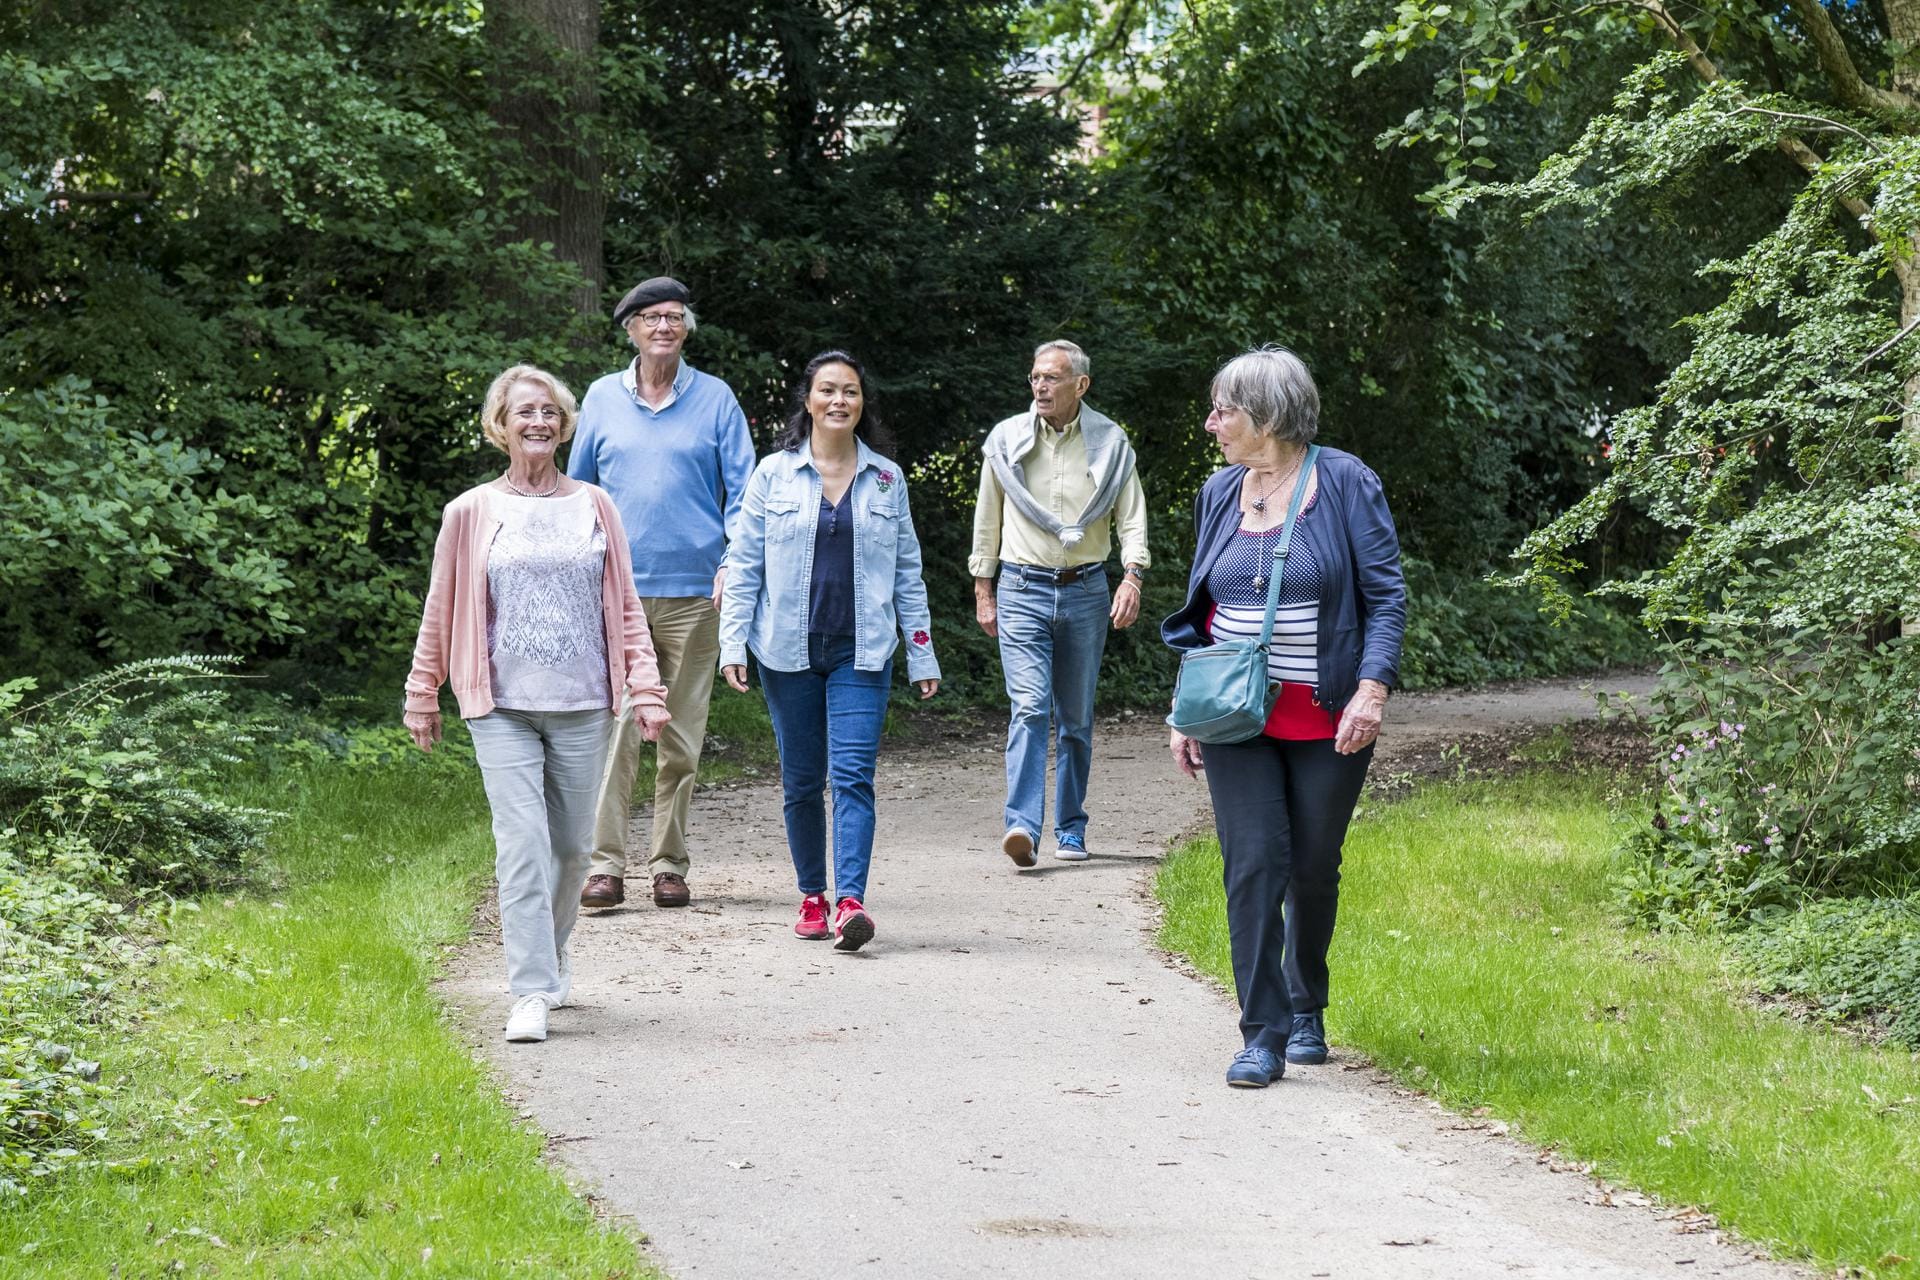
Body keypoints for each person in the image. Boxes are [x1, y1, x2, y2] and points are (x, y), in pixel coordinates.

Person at [404, 364, 672, 1044]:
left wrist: (645, 686)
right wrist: (422, 693)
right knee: (521, 846)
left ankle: (550, 955)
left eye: (550, 412)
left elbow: (627, 608)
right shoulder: (469, 512)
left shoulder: (595, 506)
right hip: (502, 706)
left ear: (564, 425)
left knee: (575, 850)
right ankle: (528, 989)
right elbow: (442, 607)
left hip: (585, 702)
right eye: (525, 411)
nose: (538, 422)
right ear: (501, 423)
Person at [1161, 346, 1405, 1089]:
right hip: (1236, 716)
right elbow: (1206, 609)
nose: (1211, 424)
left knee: (1311, 868)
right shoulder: (1217, 492)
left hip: (1329, 716)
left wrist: (1373, 688)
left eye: (1223, 409)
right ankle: (1260, 1034)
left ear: (1266, 414)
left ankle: (1306, 1007)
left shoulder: (1344, 482)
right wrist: (1185, 708)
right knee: (1253, 866)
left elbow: (1386, 597)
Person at [720, 351, 940, 952]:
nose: (839, 401)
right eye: (827, 391)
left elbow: (908, 574)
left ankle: (850, 903)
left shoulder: (887, 479)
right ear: (809, 401)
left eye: (850, 392)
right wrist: (731, 642)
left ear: (861, 404)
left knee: (852, 778)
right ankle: (812, 895)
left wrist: (922, 654)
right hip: (784, 652)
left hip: (862, 653)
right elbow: (743, 565)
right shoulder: (772, 475)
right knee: (800, 780)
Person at [568, 276, 756, 910]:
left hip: (696, 595)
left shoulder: (716, 399)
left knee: (681, 735)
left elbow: (745, 495)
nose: (664, 328)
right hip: (617, 595)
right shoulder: (600, 399)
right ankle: (605, 867)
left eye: (675, 317)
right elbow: (580, 492)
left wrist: (735, 563)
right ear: (630, 329)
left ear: (686, 328)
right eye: (651, 318)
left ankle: (669, 864)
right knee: (618, 730)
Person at [970, 340, 1150, 868]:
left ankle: (1070, 829)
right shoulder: (1005, 440)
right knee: (1028, 707)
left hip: (1086, 589)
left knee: (1075, 718)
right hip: (1021, 588)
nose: (1041, 387)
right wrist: (984, 590)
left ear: (1080, 385)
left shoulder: (1111, 443)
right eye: (1035, 378)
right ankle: (1022, 828)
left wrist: (1132, 576)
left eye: (1051, 378)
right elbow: (988, 518)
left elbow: (1131, 516)